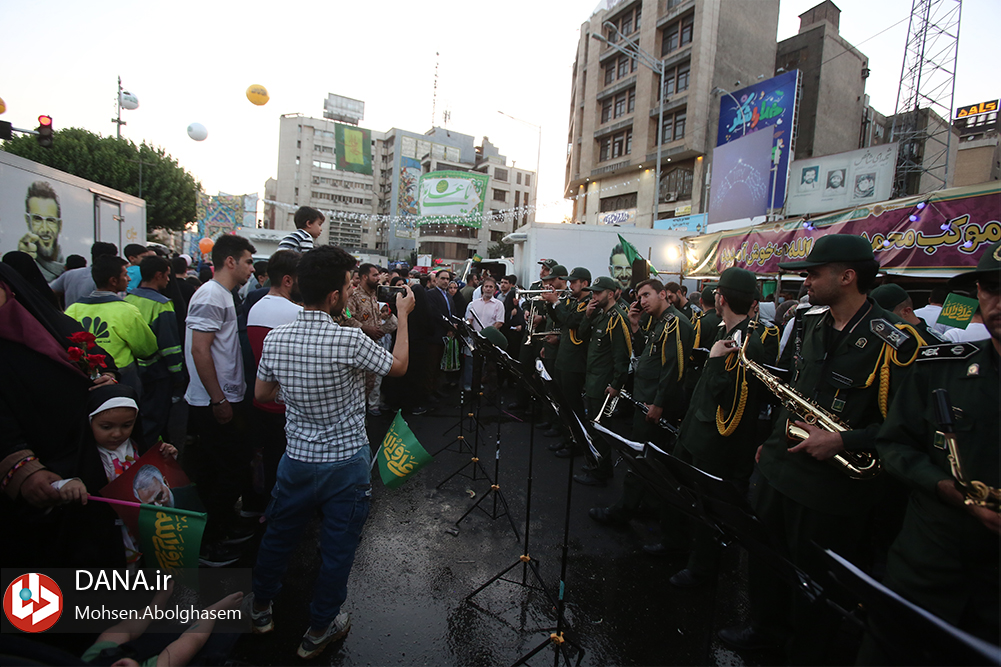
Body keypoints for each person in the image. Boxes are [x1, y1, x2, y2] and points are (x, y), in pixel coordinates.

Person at [718, 234, 923, 665]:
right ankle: (764, 629)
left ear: (847, 277)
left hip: (832, 490)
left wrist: (842, 440)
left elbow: (905, 428)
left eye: (813, 273)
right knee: (766, 559)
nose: (805, 281)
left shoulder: (896, 340)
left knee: (816, 585)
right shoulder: (810, 323)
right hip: (780, 468)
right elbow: (794, 390)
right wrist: (769, 444)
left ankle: (804, 653)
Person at [250, 245, 415, 660]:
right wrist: (405, 316)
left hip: (297, 458)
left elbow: (262, 394)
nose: (349, 289)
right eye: (347, 284)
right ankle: (320, 627)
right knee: (338, 546)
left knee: (279, 536)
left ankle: (260, 608)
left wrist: (300, 396)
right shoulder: (347, 339)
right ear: (334, 297)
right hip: (344, 462)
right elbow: (397, 367)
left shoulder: (278, 338)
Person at [861, 240, 1000, 659]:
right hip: (924, 574)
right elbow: (895, 444)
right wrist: (944, 487)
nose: (999, 302)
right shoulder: (942, 366)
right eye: (992, 288)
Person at [0, 263, 123, 569]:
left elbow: (105, 366)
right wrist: (23, 469)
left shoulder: (53, 326)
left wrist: (104, 381)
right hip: (38, 480)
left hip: (87, 463)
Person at [666, 268, 768, 585]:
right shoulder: (728, 332)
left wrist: (712, 361)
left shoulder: (748, 342)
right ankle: (677, 546)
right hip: (698, 432)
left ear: (720, 298)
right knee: (686, 496)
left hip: (716, 441)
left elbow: (730, 401)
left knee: (710, 508)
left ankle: (702, 567)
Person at [183, 234, 257, 566]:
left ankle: (223, 524)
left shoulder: (224, 295)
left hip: (227, 396)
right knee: (227, 470)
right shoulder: (211, 295)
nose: (251, 269)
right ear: (230, 261)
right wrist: (218, 399)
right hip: (214, 401)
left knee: (225, 467)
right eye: (248, 261)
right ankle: (209, 541)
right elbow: (200, 350)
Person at [57, 384, 179, 565]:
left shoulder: (139, 447)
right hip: (100, 538)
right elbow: (51, 482)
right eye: (106, 427)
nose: (117, 434)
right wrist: (65, 485)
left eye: (127, 425)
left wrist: (167, 458)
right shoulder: (79, 455)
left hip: (139, 533)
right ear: (89, 421)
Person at [244, 250, 303, 515]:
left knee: (268, 459)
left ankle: (266, 508)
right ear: (288, 280)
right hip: (286, 405)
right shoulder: (296, 313)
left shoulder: (256, 307)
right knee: (287, 465)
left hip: (261, 398)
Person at [80, 579, 243, 667]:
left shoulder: (93, 659)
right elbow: (192, 640)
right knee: (218, 637)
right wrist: (213, 611)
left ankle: (155, 609)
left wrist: (156, 605)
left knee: (116, 636)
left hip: (111, 657)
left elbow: (124, 630)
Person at [65, 255, 159, 399]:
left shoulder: (73, 309)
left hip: (82, 378)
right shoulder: (127, 310)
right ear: (113, 281)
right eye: (125, 275)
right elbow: (147, 349)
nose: (128, 279)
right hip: (122, 379)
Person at [573, 276, 632, 487]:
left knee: (601, 431)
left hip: (604, 383)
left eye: (598, 292)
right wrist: (587, 315)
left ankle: (601, 472)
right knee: (595, 428)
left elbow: (622, 357)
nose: (593, 295)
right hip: (593, 379)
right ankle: (598, 465)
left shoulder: (618, 319)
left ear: (611, 293)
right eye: (593, 292)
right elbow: (581, 335)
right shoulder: (600, 315)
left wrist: (616, 384)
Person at [123, 255, 185, 444]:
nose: (168, 279)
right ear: (158, 275)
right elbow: (170, 346)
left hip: (133, 370)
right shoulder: (162, 304)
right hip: (157, 373)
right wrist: (178, 375)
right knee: (154, 421)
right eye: (167, 275)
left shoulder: (129, 298)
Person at [348, 263, 398, 416]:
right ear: (364, 277)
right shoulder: (354, 296)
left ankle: (368, 410)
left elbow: (383, 314)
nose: (378, 278)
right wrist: (365, 328)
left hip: (375, 344)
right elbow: (347, 317)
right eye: (375, 275)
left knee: (372, 382)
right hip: (358, 345)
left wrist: (387, 322)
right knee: (358, 385)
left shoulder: (377, 295)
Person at [463, 276, 505, 394]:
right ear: (482, 288)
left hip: (490, 340)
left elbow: (499, 322)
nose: (488, 289)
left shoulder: (499, 304)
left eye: (491, 287)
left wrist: (487, 334)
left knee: (492, 369)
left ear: (494, 289)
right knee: (476, 368)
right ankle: (475, 392)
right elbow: (469, 320)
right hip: (476, 340)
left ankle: (492, 395)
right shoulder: (474, 304)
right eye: (486, 286)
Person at [18, 180, 65, 281]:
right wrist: (21, 262)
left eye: (50, 220)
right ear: (28, 221)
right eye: (38, 219)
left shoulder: (67, 271)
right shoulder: (24, 267)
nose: (45, 229)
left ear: (59, 226)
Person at [50, 242, 118, 310]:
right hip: (94, 319)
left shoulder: (69, 274)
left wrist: (59, 312)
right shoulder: (106, 279)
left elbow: (49, 292)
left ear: (92, 255)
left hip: (69, 318)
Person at [870, 283, 942, 343]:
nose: (882, 320)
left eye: (888, 315)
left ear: (906, 311)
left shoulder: (932, 340)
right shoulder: (881, 339)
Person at [426, 269, 456, 398]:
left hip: (446, 335)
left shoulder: (448, 295)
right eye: (442, 278)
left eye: (447, 279)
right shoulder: (431, 294)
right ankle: (429, 392)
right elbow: (435, 314)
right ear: (436, 280)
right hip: (435, 335)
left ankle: (436, 389)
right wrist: (449, 326)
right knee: (432, 365)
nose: (445, 281)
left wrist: (453, 327)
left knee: (440, 365)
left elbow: (452, 313)